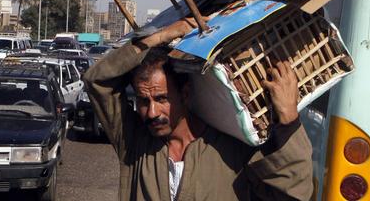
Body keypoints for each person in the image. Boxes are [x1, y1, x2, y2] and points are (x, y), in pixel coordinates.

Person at [83, 18, 313, 200]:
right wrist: (158, 38)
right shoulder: (134, 143)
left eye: (161, 98)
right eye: (144, 101)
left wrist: (289, 119)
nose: (151, 112)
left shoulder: (231, 149)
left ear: (184, 93)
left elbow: (293, 192)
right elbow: (97, 81)